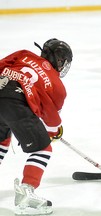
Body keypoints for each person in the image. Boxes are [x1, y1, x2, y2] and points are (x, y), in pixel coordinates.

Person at [0, 38, 73, 215]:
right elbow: (52, 120)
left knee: (2, 141)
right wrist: (53, 132)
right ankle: (26, 191)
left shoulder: (24, 55)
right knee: (43, 149)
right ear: (60, 60)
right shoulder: (57, 86)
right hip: (14, 101)